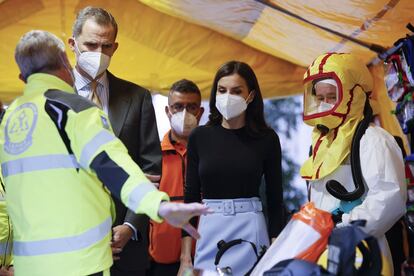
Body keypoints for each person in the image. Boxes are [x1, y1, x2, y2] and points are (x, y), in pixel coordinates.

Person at [0, 29, 208, 276]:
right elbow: (114, 166)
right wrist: (158, 206)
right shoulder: (74, 111)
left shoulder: (9, 120)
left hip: (28, 268)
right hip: (82, 264)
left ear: (23, 77)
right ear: (66, 62)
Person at [67, 7, 162, 275]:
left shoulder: (138, 97)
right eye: (91, 45)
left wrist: (130, 226)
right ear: (73, 44)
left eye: (106, 46)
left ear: (115, 47)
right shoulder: (50, 99)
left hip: (124, 249)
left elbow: (151, 168)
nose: (98, 53)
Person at [300, 52, 407, 275]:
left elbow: (390, 197)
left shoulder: (374, 140)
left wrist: (346, 225)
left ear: (353, 95)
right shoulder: (322, 144)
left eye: (331, 96)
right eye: (319, 98)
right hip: (326, 250)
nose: (324, 104)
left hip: (363, 250)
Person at [180, 61, 285, 275]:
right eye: (222, 90)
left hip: (251, 225)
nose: (228, 96)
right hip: (210, 227)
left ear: (251, 96)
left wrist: (276, 252)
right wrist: (185, 258)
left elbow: (276, 200)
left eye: (236, 91)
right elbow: (190, 199)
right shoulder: (199, 137)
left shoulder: (267, 139)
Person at [148, 79, 204, 276]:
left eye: (191, 107)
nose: (185, 113)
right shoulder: (152, 154)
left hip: (205, 254)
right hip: (159, 258)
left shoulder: (211, 155)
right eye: (178, 107)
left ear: (201, 112)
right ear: (167, 111)